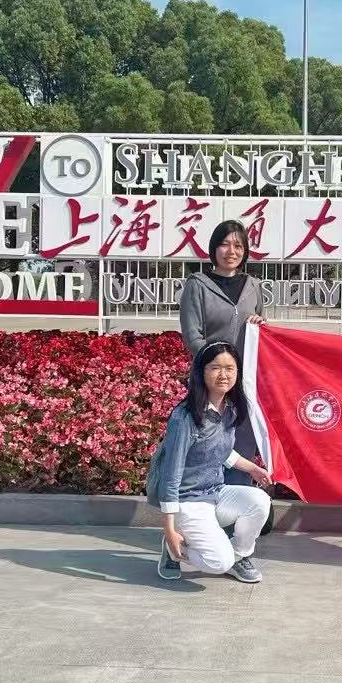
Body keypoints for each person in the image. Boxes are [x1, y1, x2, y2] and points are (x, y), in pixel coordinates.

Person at [148, 341, 273, 583]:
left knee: (259, 501)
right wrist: (169, 530)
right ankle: (175, 548)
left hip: (215, 493)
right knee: (217, 563)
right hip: (187, 500)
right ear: (201, 372)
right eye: (215, 368)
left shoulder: (230, 409)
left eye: (230, 368)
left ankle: (238, 556)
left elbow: (219, 451)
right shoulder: (185, 417)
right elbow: (171, 475)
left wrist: (253, 469)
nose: (224, 375)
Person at [179, 220, 266, 486]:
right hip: (211, 379)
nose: (231, 251)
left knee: (242, 440)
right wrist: (218, 368)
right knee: (207, 438)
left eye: (238, 246)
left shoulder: (253, 286)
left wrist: (261, 325)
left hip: (245, 380)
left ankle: (238, 497)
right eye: (225, 244)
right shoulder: (198, 284)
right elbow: (193, 336)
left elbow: (262, 331)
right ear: (214, 249)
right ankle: (202, 497)